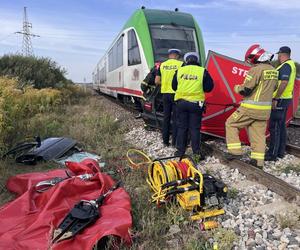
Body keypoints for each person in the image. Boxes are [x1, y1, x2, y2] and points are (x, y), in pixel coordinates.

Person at [225, 44, 278, 169]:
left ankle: (235, 152)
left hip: (250, 108)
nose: (250, 62)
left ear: (256, 57)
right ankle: (258, 162)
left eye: (250, 59)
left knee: (231, 124)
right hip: (265, 111)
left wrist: (237, 88)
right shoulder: (274, 71)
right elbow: (274, 88)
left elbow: (246, 90)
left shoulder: (256, 70)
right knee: (258, 135)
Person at [172, 52, 214, 157]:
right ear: (197, 60)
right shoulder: (202, 71)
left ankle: (180, 152)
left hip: (181, 103)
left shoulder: (179, 71)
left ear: (186, 60)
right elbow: (209, 87)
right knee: (194, 129)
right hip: (196, 104)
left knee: (182, 128)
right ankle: (196, 153)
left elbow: (174, 86)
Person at [265, 46, 297, 161]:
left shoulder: (286, 66)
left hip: (281, 99)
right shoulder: (291, 64)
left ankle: (272, 154)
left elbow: (283, 82)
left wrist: (276, 98)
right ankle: (280, 152)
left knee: (274, 127)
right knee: (281, 126)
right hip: (285, 98)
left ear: (282, 54)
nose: (278, 57)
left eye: (279, 54)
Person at [155, 49, 183, 147]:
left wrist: (165, 83)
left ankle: (165, 141)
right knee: (176, 119)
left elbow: (157, 81)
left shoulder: (162, 65)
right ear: (177, 55)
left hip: (165, 94)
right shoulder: (180, 64)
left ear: (169, 55)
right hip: (176, 94)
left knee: (166, 118)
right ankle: (174, 142)